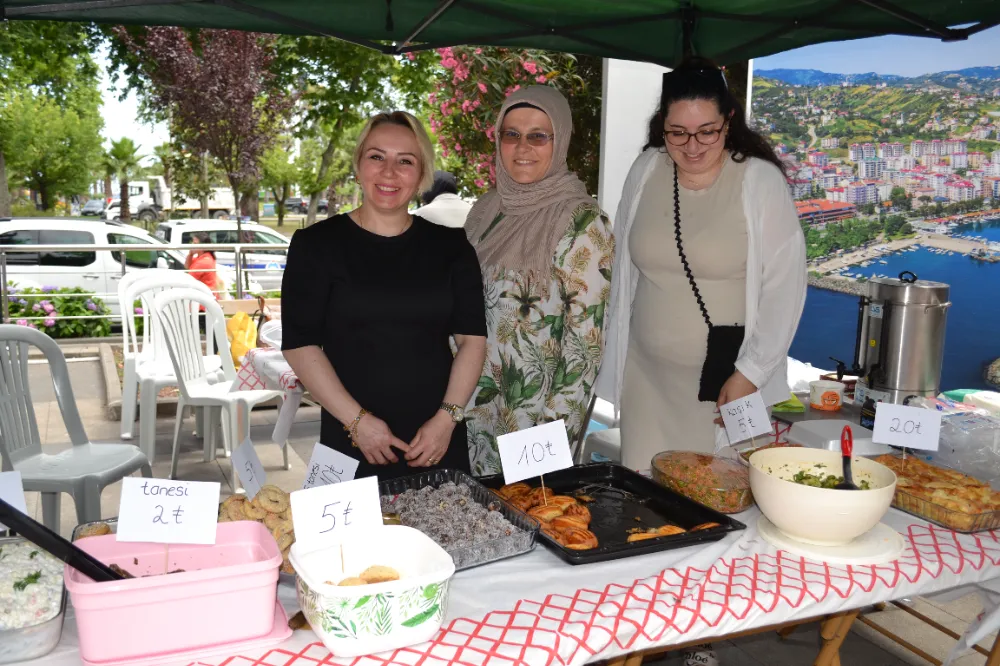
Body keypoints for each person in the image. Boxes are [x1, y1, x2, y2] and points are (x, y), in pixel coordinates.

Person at [597, 59, 806, 467]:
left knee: (713, 505)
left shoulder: (760, 182)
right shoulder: (645, 170)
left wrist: (752, 372)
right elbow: (624, 272)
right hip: (645, 380)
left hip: (726, 387)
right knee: (646, 502)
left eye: (707, 132)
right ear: (662, 125)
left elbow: (785, 288)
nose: (692, 146)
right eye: (678, 133)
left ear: (729, 120)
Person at [281, 111, 487, 480]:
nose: (389, 172)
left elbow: (472, 340)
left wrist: (446, 420)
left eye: (405, 161)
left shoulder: (451, 247)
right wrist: (356, 422)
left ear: (422, 172)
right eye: (377, 156)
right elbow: (299, 344)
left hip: (436, 440)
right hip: (350, 438)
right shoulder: (315, 245)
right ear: (359, 165)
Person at [464, 86, 615, 476]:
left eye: (537, 135)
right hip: (472, 409)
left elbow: (585, 349)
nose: (522, 147)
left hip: (532, 421)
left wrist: (549, 440)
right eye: (511, 134)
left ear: (559, 140)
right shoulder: (484, 211)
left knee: (528, 521)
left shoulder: (581, 221)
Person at [185, 233, 222, 297]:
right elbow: (187, 266)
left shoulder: (204, 262)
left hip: (203, 298)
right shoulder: (203, 257)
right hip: (204, 294)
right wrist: (190, 254)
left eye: (195, 243)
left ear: (203, 246)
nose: (192, 245)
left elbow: (189, 279)